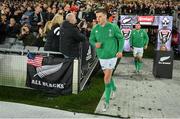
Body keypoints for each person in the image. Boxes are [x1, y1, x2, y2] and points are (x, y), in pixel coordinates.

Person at [89, 9, 124, 112]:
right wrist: (95, 44)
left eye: (100, 16)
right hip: (101, 56)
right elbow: (91, 39)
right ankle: (114, 89)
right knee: (107, 77)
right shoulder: (95, 28)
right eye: (97, 17)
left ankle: (106, 102)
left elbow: (121, 39)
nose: (97, 19)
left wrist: (120, 51)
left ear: (105, 16)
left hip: (112, 56)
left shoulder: (113, 27)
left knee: (106, 78)